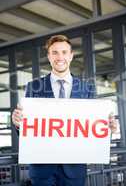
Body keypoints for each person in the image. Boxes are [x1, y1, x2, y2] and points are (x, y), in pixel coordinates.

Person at [12, 35, 117, 186]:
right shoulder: (33, 86)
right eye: (54, 52)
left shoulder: (86, 88)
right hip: (42, 168)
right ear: (48, 57)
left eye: (64, 52)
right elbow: (27, 129)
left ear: (71, 55)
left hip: (74, 169)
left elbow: (93, 127)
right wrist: (18, 123)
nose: (59, 57)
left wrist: (109, 129)